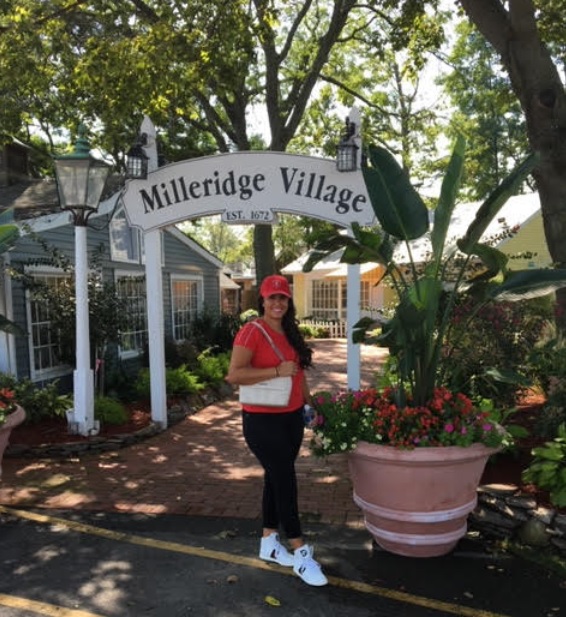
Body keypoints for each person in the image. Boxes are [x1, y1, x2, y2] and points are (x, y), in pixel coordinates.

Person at [226, 274, 328, 587]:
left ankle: (269, 543)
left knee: (275, 478)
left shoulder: (289, 331)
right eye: (272, 297)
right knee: (285, 481)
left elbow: (298, 376)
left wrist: (312, 405)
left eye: (282, 297)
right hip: (262, 421)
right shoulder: (252, 331)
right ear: (263, 300)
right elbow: (234, 375)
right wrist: (275, 370)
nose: (278, 303)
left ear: (288, 301)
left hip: (291, 417)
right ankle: (300, 552)